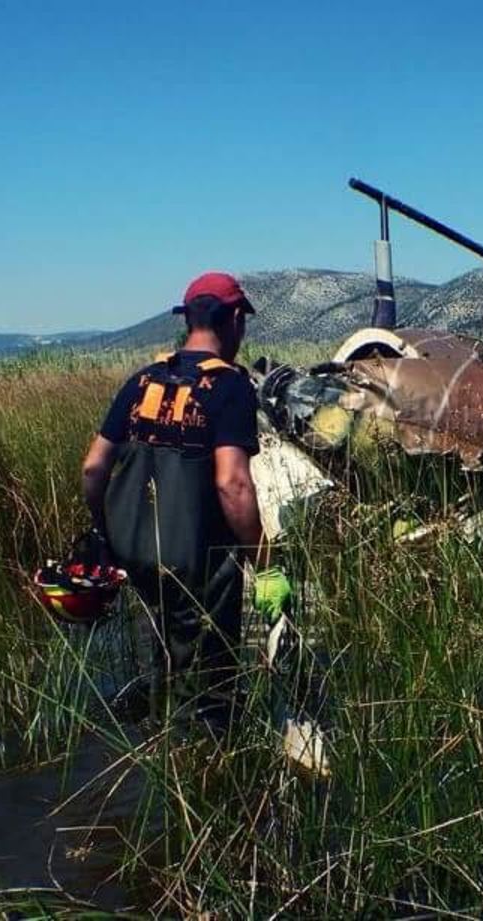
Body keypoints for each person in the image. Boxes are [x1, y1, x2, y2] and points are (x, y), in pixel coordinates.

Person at [80, 271, 289, 732]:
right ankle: (209, 769)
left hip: (138, 554)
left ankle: (162, 743)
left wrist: (107, 531)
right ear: (235, 319)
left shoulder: (142, 381)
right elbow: (232, 484)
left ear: (187, 317)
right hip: (200, 560)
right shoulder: (230, 387)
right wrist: (267, 564)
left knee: (163, 659)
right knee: (213, 682)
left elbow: (94, 468)